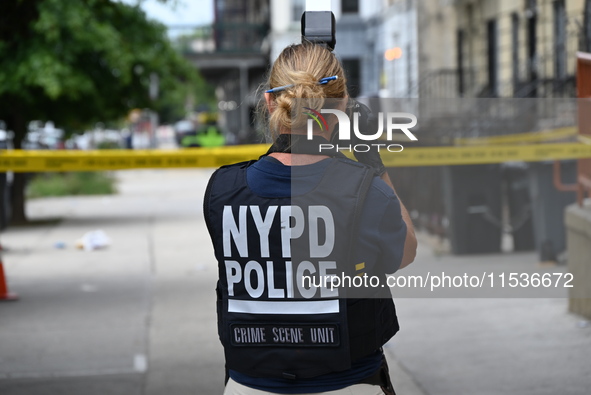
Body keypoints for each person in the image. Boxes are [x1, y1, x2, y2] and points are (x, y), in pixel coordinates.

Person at [204, 42, 417, 395]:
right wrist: (372, 161)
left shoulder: (223, 190)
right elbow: (405, 252)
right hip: (350, 383)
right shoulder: (366, 191)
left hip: (249, 385)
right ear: (344, 107)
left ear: (270, 102)